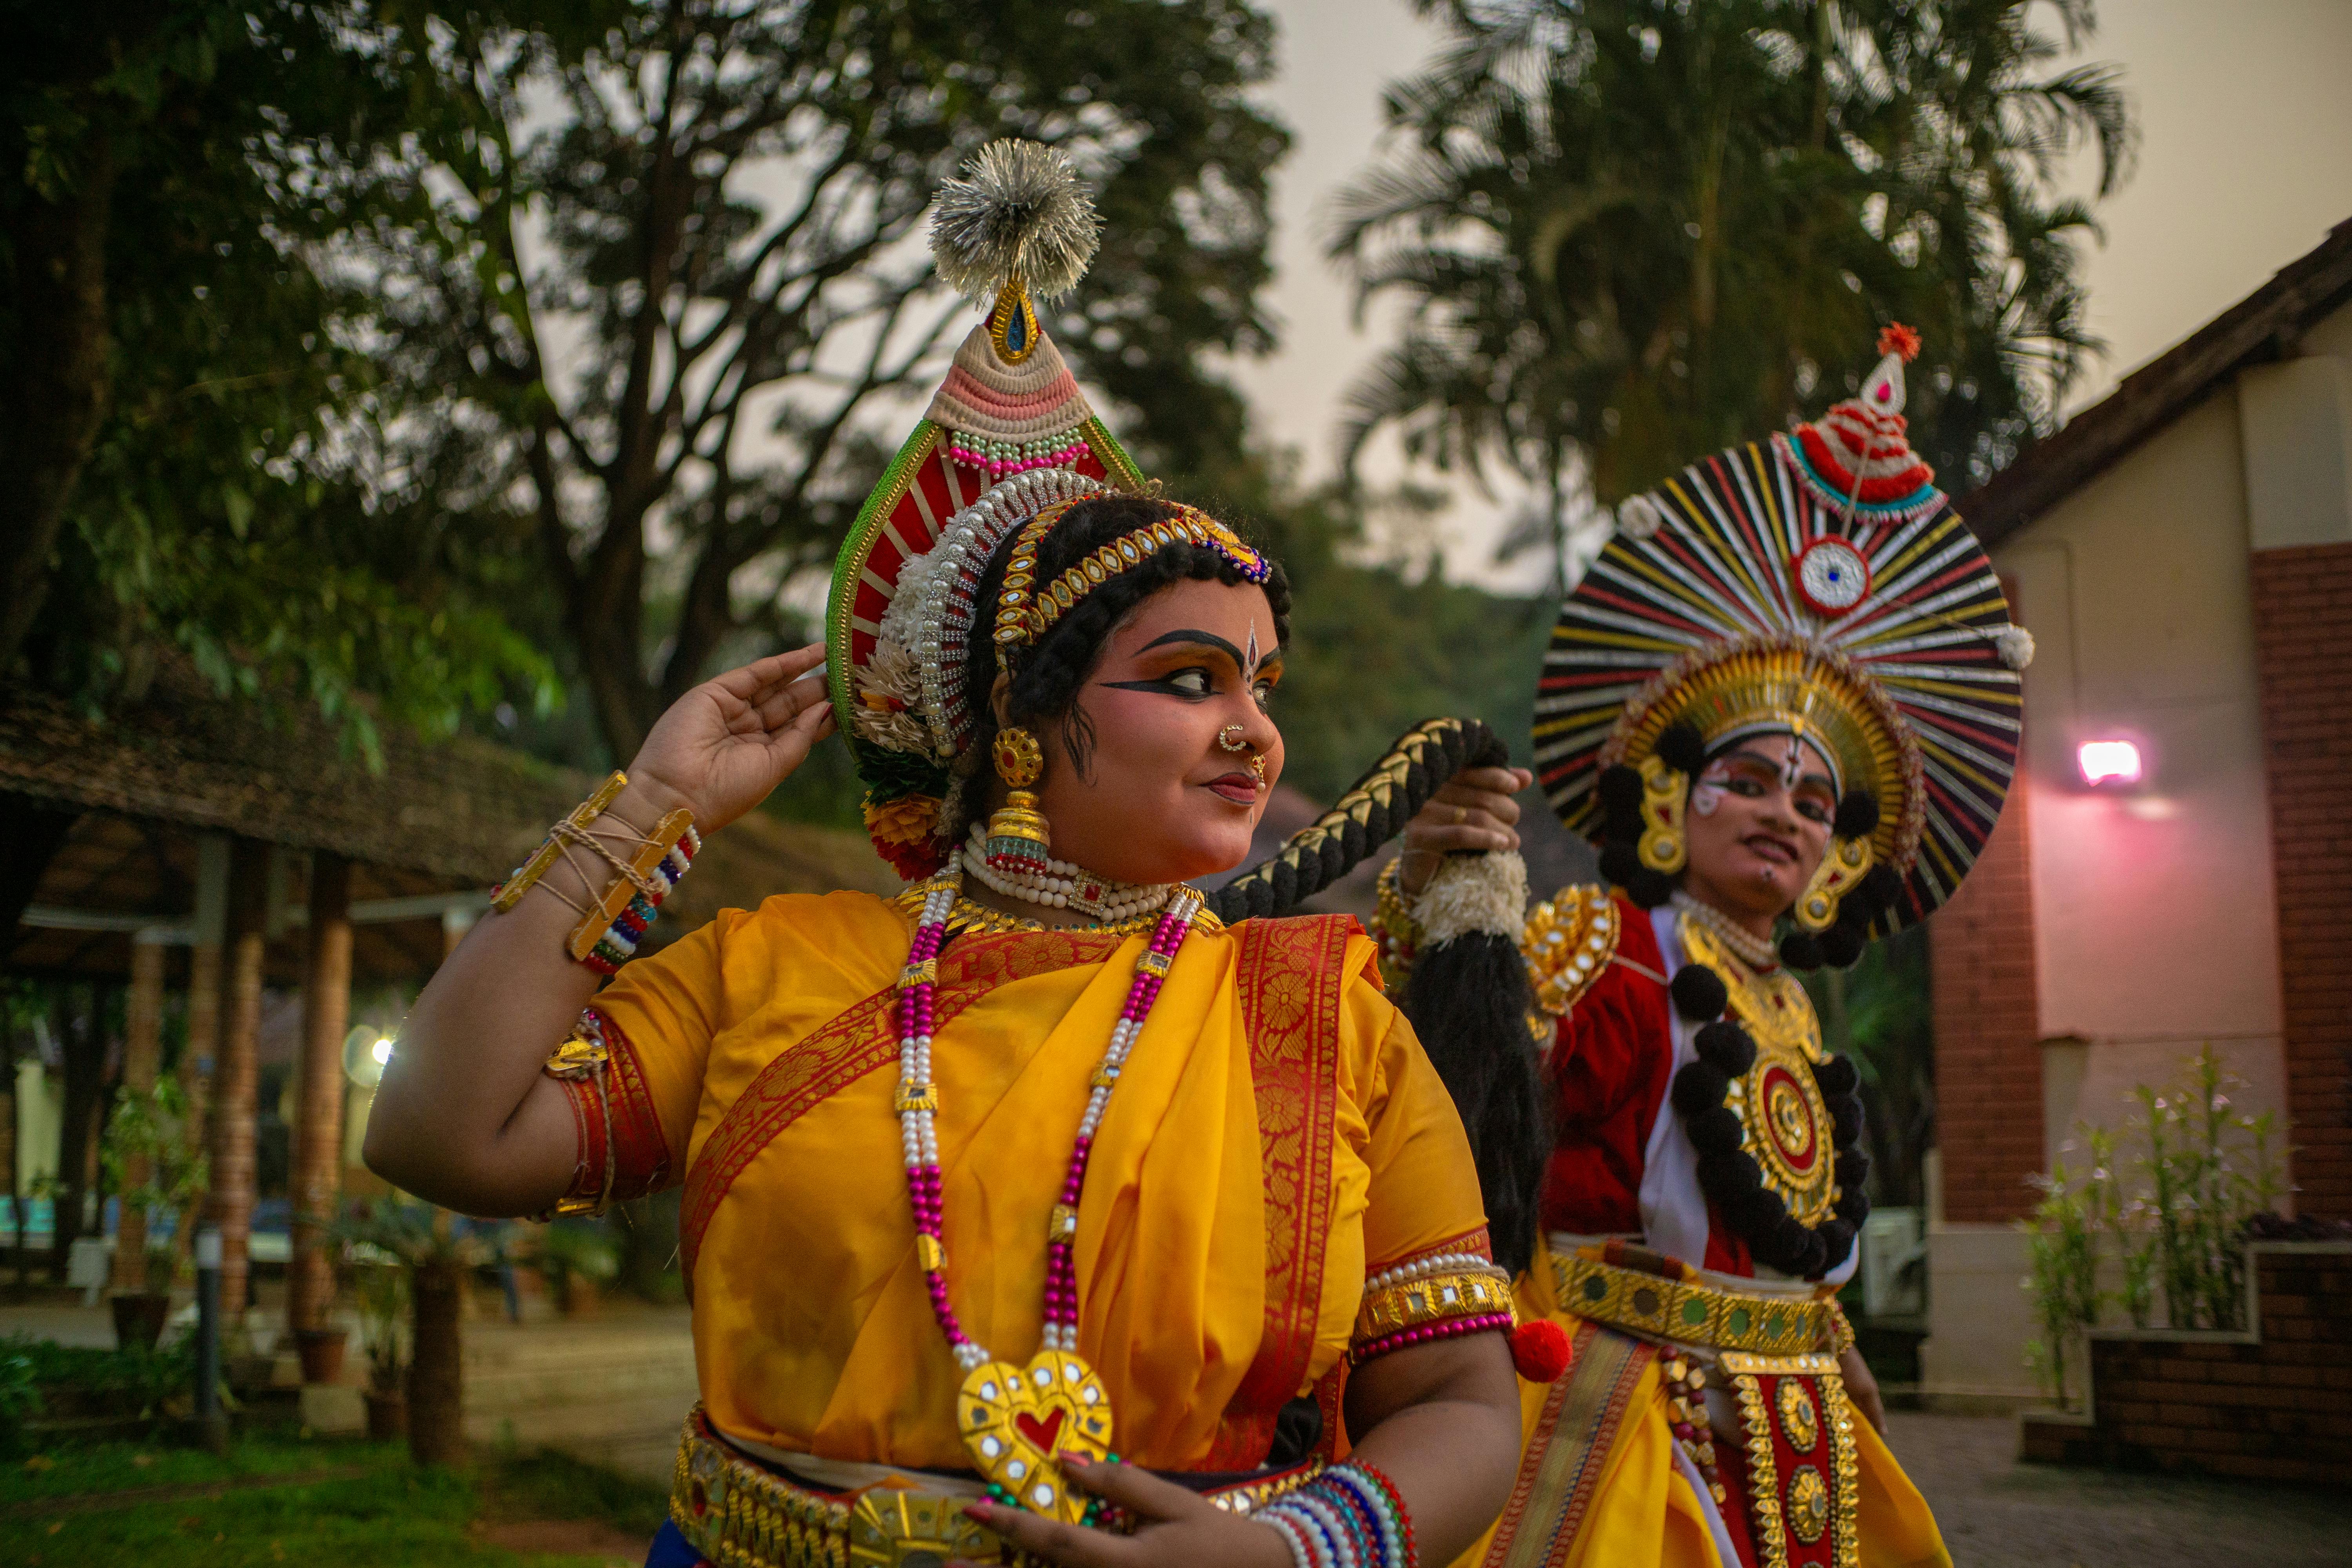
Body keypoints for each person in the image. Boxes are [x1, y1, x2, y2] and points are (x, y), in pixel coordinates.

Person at [363, 140, 1535, 1568]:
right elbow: (436, 1133)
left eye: (1261, 687)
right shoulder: (773, 969)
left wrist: (1297, 1547)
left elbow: (1464, 1403)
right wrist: (642, 812)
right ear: (1019, 719)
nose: (1253, 735)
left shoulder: (1321, 1019)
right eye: (1187, 680)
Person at [1373, 327, 2031, 1568]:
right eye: (1750, 779)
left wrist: (1834, 1348)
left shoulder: (1788, 1006)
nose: (1785, 810)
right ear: (1676, 807)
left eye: (1815, 801)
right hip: (1627, 1407)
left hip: (1799, 1428)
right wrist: (1435, 909)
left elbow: (1786, 1222)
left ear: (1840, 858)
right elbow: (1450, 1103)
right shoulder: (1606, 944)